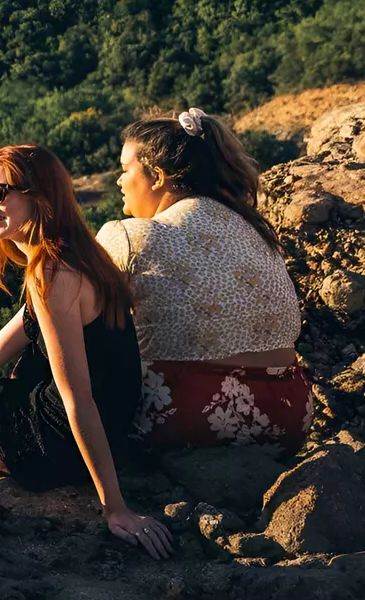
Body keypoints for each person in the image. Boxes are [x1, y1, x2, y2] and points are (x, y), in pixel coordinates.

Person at [0, 145, 173, 559]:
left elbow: (77, 397)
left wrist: (115, 508)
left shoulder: (51, 274)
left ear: (40, 193)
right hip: (95, 428)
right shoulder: (69, 257)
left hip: (54, 442)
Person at [100, 109, 309, 449]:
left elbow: (68, 315)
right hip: (289, 413)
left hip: (190, 415)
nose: (120, 181)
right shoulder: (254, 229)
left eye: (126, 170)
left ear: (156, 176)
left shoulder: (132, 235)